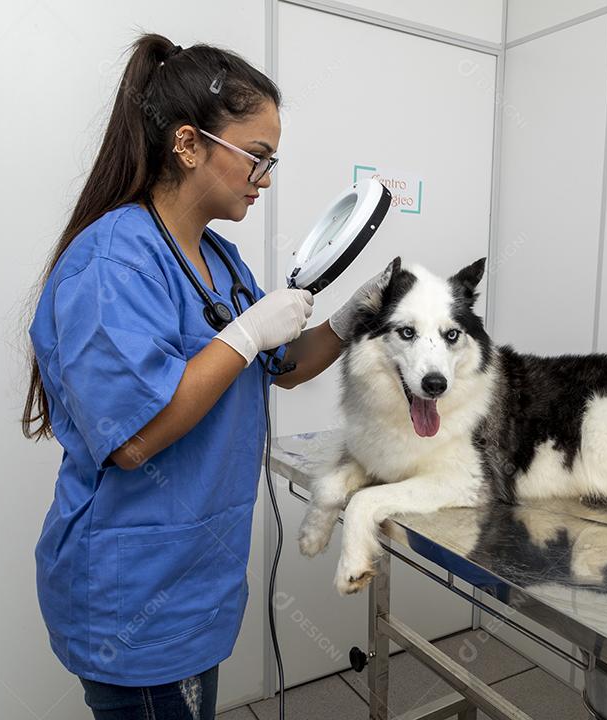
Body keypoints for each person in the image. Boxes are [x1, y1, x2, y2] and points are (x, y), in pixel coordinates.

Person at [21, 32, 383, 720]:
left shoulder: (222, 260)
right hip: (134, 588)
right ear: (187, 144)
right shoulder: (112, 263)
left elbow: (282, 367)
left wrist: (352, 318)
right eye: (257, 156)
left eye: (272, 162)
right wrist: (244, 334)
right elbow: (133, 439)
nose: (265, 179)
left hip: (196, 576)